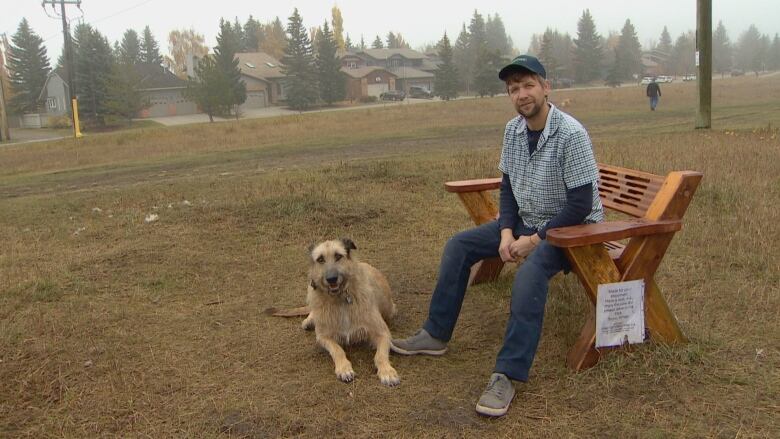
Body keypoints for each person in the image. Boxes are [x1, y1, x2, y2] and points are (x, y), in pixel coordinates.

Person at [390, 55, 604, 417]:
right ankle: (435, 334)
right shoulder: (513, 131)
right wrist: (506, 232)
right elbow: (507, 188)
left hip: (572, 230)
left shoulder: (571, 134)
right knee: (459, 246)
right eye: (514, 89)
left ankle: (507, 374)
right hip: (524, 221)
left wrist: (533, 240)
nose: (522, 94)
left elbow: (581, 204)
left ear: (546, 87)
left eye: (528, 85)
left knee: (531, 274)